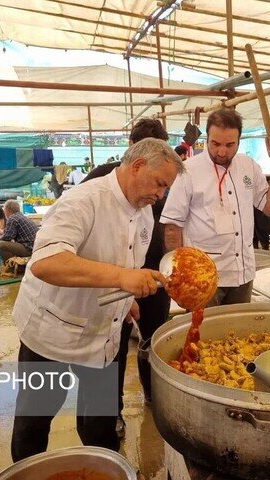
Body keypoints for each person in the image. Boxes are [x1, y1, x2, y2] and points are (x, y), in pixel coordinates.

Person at [10, 138, 184, 462]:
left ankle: (105, 467)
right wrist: (123, 278)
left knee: (101, 423)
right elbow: (47, 263)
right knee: (34, 423)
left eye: (166, 189)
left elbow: (124, 265)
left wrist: (126, 299)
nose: (161, 195)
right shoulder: (83, 201)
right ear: (137, 166)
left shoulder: (144, 215)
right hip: (52, 333)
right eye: (160, 184)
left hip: (103, 336)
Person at [80, 117, 170, 438]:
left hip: (155, 274)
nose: (158, 191)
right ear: (133, 151)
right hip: (115, 280)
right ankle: (112, 413)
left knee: (156, 339)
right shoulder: (99, 180)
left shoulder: (166, 175)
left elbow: (172, 223)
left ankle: (155, 396)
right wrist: (119, 281)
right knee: (112, 346)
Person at [161, 108, 270, 306]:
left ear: (239, 140)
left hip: (242, 273)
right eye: (215, 144)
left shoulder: (249, 166)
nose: (221, 151)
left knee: (238, 335)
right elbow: (172, 225)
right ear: (207, 137)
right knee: (203, 333)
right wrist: (179, 273)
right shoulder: (189, 170)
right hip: (203, 278)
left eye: (230, 145)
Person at [81, 119, 168, 184]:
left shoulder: (163, 179)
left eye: (159, 152)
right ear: (131, 143)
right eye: (148, 150)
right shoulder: (102, 174)